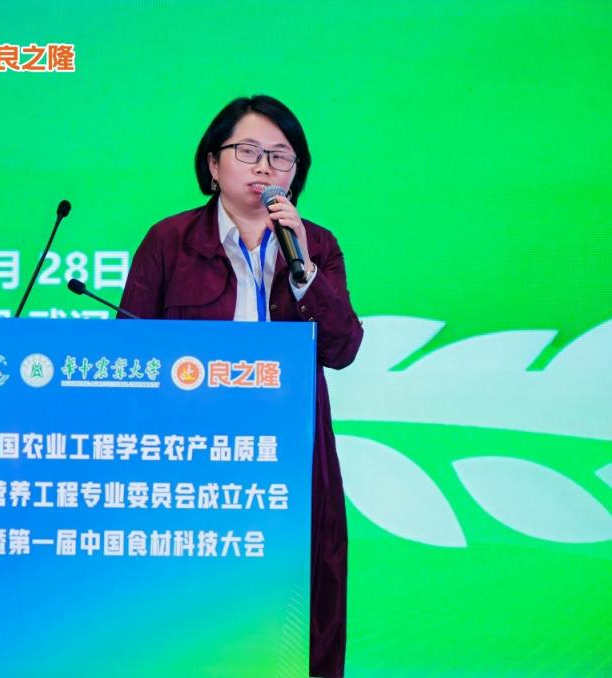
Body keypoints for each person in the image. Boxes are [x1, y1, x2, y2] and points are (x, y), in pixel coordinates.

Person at [118, 94, 363, 678]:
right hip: (190, 452)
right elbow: (127, 355)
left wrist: (303, 270)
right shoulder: (169, 241)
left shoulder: (316, 244)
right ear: (212, 163)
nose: (265, 167)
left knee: (302, 591)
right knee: (190, 598)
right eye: (248, 151)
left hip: (290, 451)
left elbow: (343, 348)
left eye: (281, 156)